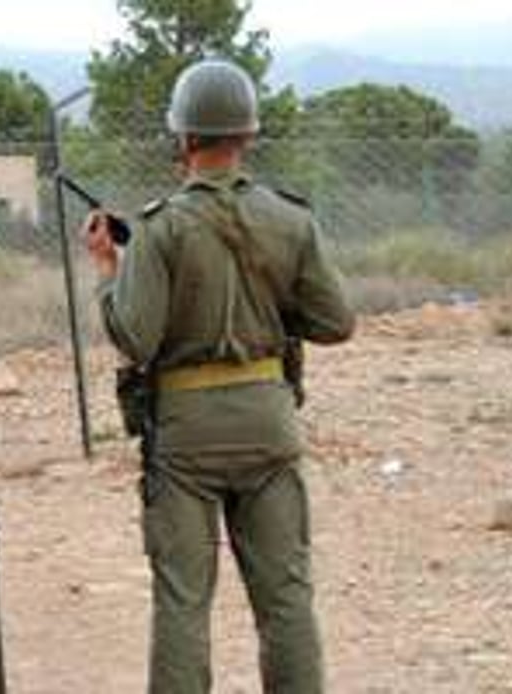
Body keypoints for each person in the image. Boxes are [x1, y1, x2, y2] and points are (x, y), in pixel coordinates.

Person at [83, 59, 355, 694]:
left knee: (182, 603)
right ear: (248, 135)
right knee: (286, 600)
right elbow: (336, 321)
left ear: (182, 138)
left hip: (185, 436)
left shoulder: (159, 227)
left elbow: (135, 338)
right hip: (269, 419)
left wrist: (107, 271)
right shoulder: (292, 220)